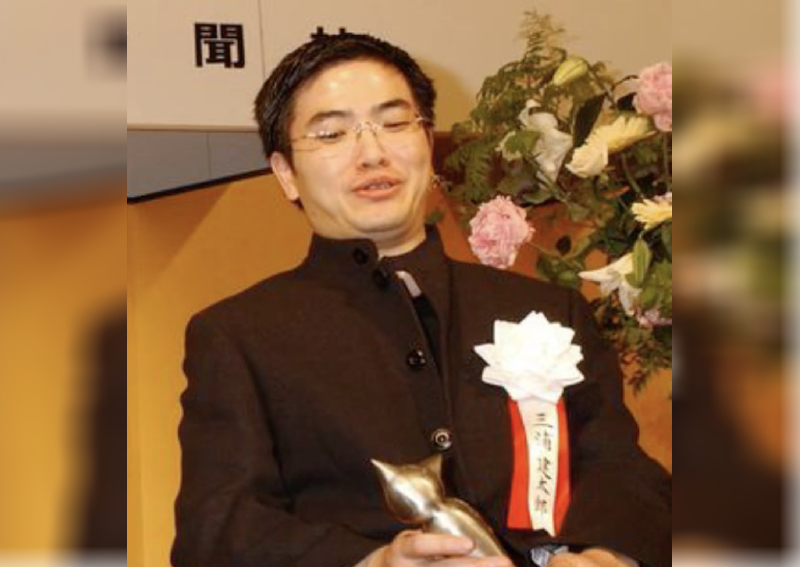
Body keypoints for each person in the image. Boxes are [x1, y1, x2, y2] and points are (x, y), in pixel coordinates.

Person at [171, 32, 670, 567]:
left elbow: (619, 468)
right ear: (286, 172)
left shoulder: (548, 310)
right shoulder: (240, 335)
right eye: (332, 133)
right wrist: (374, 563)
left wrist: (604, 556)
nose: (372, 153)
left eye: (394, 123)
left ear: (428, 142)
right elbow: (217, 530)